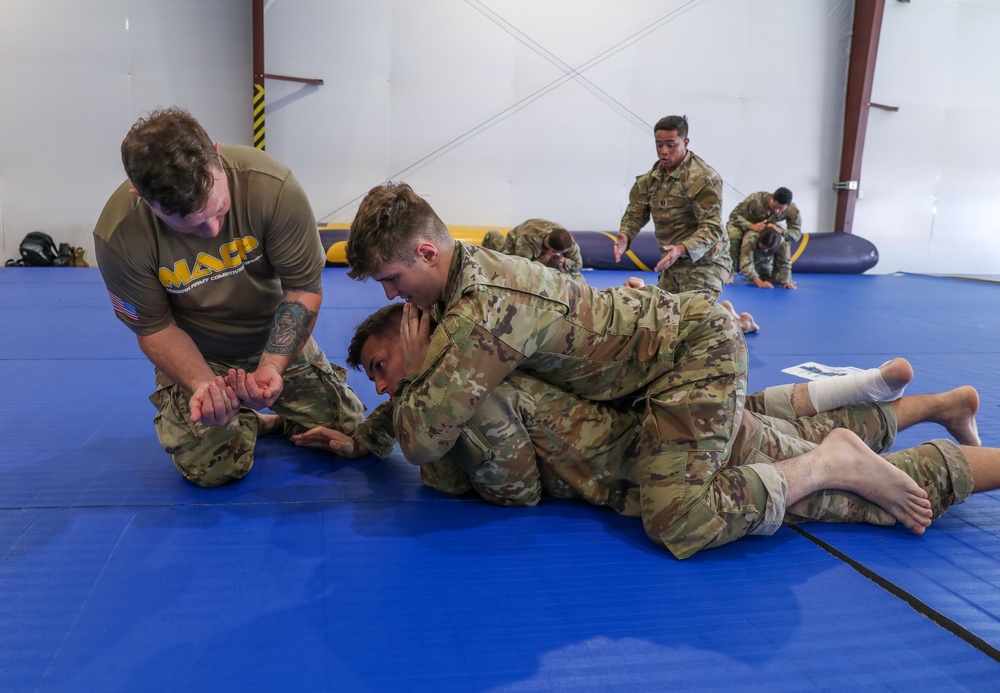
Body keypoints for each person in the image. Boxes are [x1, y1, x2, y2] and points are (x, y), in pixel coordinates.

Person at [343, 181, 983, 559]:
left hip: (687, 357)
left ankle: (829, 465)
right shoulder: (466, 283)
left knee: (679, 516)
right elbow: (427, 399)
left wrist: (420, 375)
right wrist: (364, 431)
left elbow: (423, 438)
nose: (392, 298)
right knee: (753, 422)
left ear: (427, 251)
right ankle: (928, 406)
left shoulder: (477, 315)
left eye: (393, 279)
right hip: (652, 370)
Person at [295, 302, 989, 549]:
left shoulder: (471, 396)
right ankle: (941, 404)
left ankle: (847, 454)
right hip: (669, 430)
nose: (383, 386)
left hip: (679, 461)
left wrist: (437, 456)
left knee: (874, 495)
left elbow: (514, 489)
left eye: (384, 365)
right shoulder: (469, 366)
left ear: (416, 338)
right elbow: (408, 420)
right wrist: (360, 437)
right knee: (781, 420)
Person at [93, 107, 366, 487]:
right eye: (188, 224)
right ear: (142, 198)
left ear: (216, 154)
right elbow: (154, 328)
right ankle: (246, 418)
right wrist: (204, 384)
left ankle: (260, 418)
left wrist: (272, 367)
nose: (211, 229)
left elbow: (303, 288)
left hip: (273, 336)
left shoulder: (273, 187)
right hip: (199, 353)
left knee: (348, 432)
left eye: (219, 210)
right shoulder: (119, 236)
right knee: (215, 468)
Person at [613, 115, 730, 298]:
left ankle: (735, 321)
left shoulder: (703, 179)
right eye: (659, 145)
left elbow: (712, 227)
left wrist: (682, 248)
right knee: (662, 320)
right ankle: (734, 316)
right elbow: (636, 212)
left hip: (705, 263)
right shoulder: (650, 180)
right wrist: (626, 235)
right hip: (671, 264)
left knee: (691, 322)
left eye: (671, 144)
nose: (664, 151)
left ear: (686, 142)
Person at [726, 186, 802, 284]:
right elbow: (734, 216)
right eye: (774, 207)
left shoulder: (792, 210)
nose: (776, 211)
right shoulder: (756, 199)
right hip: (744, 223)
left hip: (767, 227)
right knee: (734, 236)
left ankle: (775, 274)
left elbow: (796, 232)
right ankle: (730, 271)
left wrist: (781, 231)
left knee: (780, 240)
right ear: (772, 198)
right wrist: (750, 226)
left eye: (781, 210)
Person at [482, 219, 586, 283]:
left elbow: (578, 264)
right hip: (515, 243)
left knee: (576, 278)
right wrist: (545, 259)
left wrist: (564, 261)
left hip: (546, 249)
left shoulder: (566, 240)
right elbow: (522, 267)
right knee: (507, 266)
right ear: (553, 250)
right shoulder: (526, 242)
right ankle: (492, 236)